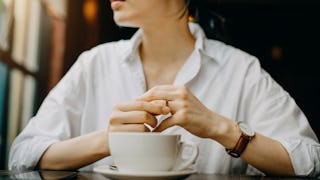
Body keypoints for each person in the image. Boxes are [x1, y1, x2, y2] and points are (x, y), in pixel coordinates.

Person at [9, 0, 320, 177]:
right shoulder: (95, 63)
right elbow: (23, 154)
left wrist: (220, 128)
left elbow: (310, 160)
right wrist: (108, 141)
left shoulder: (241, 69)